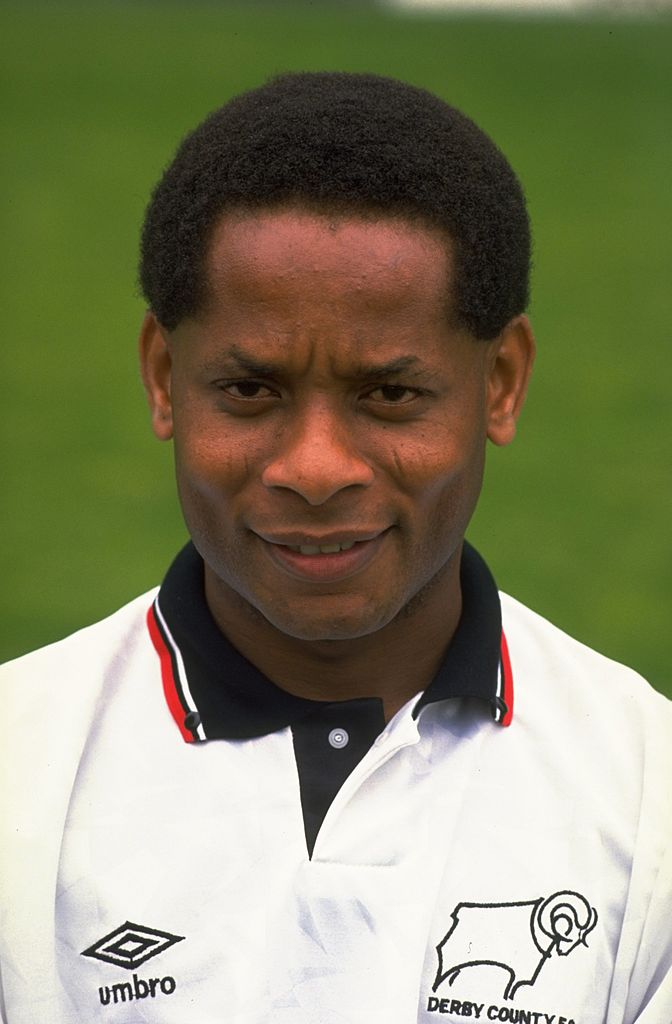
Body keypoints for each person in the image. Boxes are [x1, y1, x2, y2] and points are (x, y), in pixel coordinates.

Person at [1, 72, 670, 1024]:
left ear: (501, 382)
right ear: (162, 377)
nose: (315, 469)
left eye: (390, 395)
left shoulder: (646, 796)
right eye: (250, 390)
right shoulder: (21, 768)